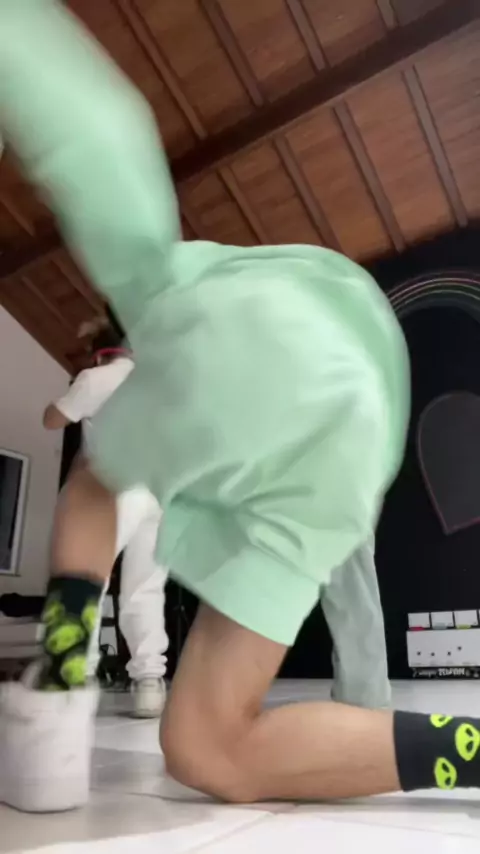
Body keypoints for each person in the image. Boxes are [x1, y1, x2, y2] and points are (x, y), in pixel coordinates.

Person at [2, 1, 478, 815]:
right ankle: (463, 750)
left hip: (281, 347)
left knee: (92, 487)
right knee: (204, 746)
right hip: (349, 443)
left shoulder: (163, 295)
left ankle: (61, 670)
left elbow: (96, 136)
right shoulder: (193, 369)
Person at [42, 319, 168, 718]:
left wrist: (78, 392)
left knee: (87, 581)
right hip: (159, 496)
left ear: (100, 352)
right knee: (145, 590)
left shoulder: (96, 378)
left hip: (114, 489)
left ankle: (77, 680)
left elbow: (52, 419)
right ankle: (149, 683)